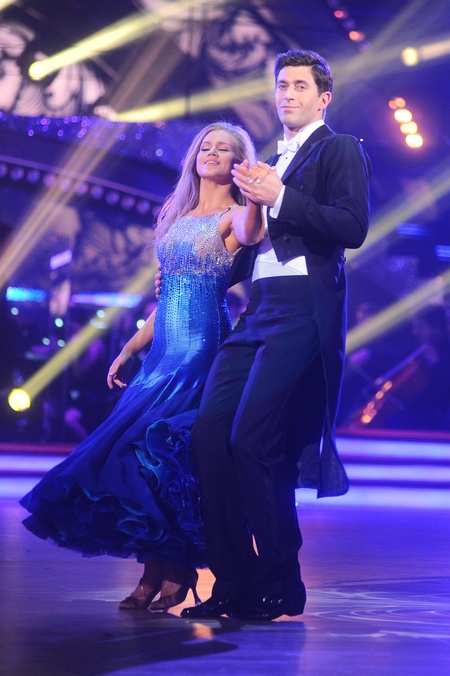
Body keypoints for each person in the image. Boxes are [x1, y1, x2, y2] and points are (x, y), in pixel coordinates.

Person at [19, 121, 263, 611]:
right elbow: (167, 296)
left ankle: (175, 571)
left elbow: (252, 233)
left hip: (200, 349)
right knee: (141, 461)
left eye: (224, 149)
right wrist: (130, 348)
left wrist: (256, 194)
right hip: (162, 351)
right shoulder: (176, 215)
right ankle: (154, 571)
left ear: (238, 163)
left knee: (169, 456)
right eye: (206, 146)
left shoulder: (236, 215)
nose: (212, 153)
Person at [181, 49, 371, 622]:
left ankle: (281, 583)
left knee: (253, 439)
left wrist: (279, 197)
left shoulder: (338, 147)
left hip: (301, 307)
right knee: (210, 434)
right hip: (257, 309)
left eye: (299, 86)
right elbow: (248, 243)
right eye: (281, 85)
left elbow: (353, 226)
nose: (287, 94)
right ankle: (233, 581)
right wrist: (192, 270)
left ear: (323, 97)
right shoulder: (265, 161)